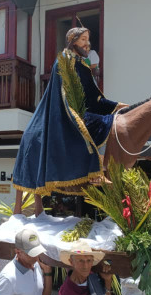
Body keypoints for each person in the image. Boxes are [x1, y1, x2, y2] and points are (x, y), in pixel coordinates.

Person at [11, 27, 126, 201]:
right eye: (83, 40)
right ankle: (95, 171)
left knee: (106, 120)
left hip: (80, 110)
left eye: (88, 40)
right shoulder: (64, 61)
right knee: (96, 124)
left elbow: (93, 97)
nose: (87, 44)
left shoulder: (82, 64)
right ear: (73, 41)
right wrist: (75, 114)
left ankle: (101, 168)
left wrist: (116, 106)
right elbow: (62, 94)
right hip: (63, 112)